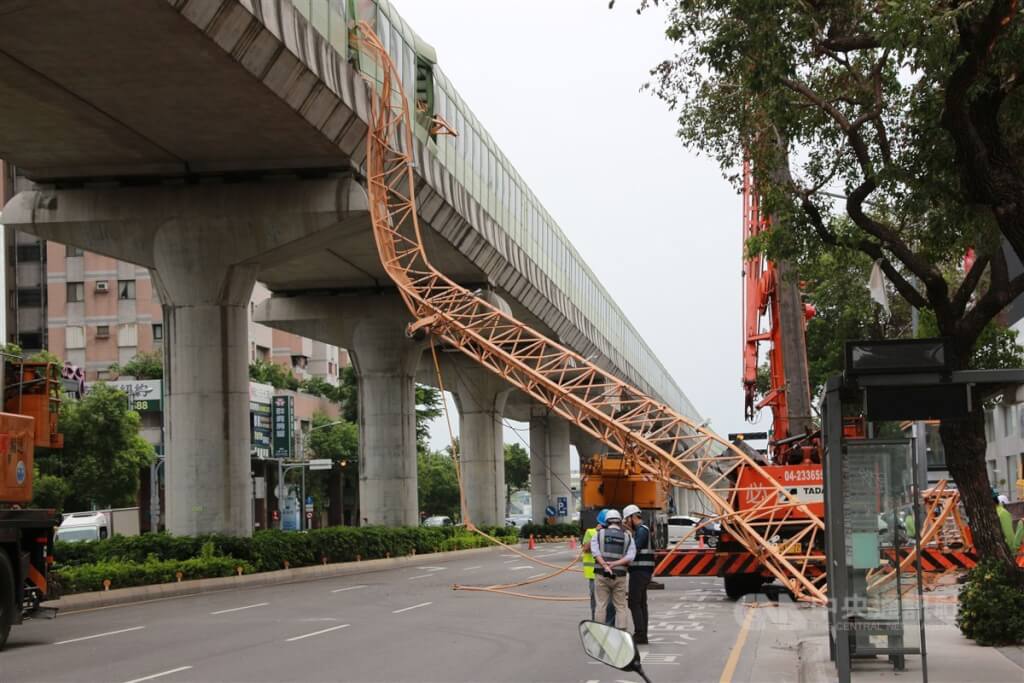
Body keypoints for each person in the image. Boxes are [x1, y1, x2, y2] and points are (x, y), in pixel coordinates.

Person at [591, 508, 635, 630]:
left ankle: (599, 632)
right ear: (620, 522)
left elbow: (595, 553)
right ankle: (622, 632)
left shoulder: (598, 535)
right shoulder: (628, 537)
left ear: (606, 522)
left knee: (601, 605)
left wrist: (606, 566)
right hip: (620, 576)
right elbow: (630, 557)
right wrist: (615, 564)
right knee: (620, 606)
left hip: (602, 575)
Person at [622, 504, 654, 644]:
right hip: (642, 572)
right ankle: (642, 634)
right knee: (641, 603)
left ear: (631, 517)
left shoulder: (642, 530)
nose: (626, 523)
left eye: (626, 520)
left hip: (640, 572)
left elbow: (634, 547)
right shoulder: (642, 530)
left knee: (634, 602)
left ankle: (640, 634)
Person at [581, 510, 607, 620]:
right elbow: (586, 548)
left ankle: (608, 624)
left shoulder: (614, 532)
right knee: (595, 601)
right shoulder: (591, 532)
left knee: (609, 603)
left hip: (609, 572)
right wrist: (596, 533)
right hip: (593, 573)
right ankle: (595, 622)